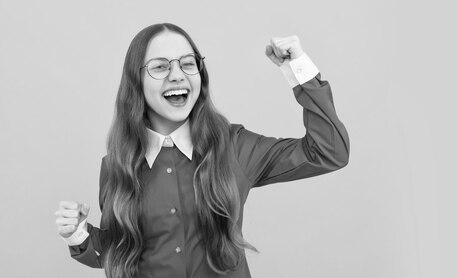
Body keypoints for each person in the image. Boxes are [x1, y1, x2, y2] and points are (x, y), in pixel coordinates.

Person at [53, 23, 349, 278]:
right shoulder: (117, 163)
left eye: (188, 63)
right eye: (160, 66)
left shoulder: (235, 147)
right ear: (137, 82)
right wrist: (78, 234)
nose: (177, 75)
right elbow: (119, 254)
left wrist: (297, 67)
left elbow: (328, 151)